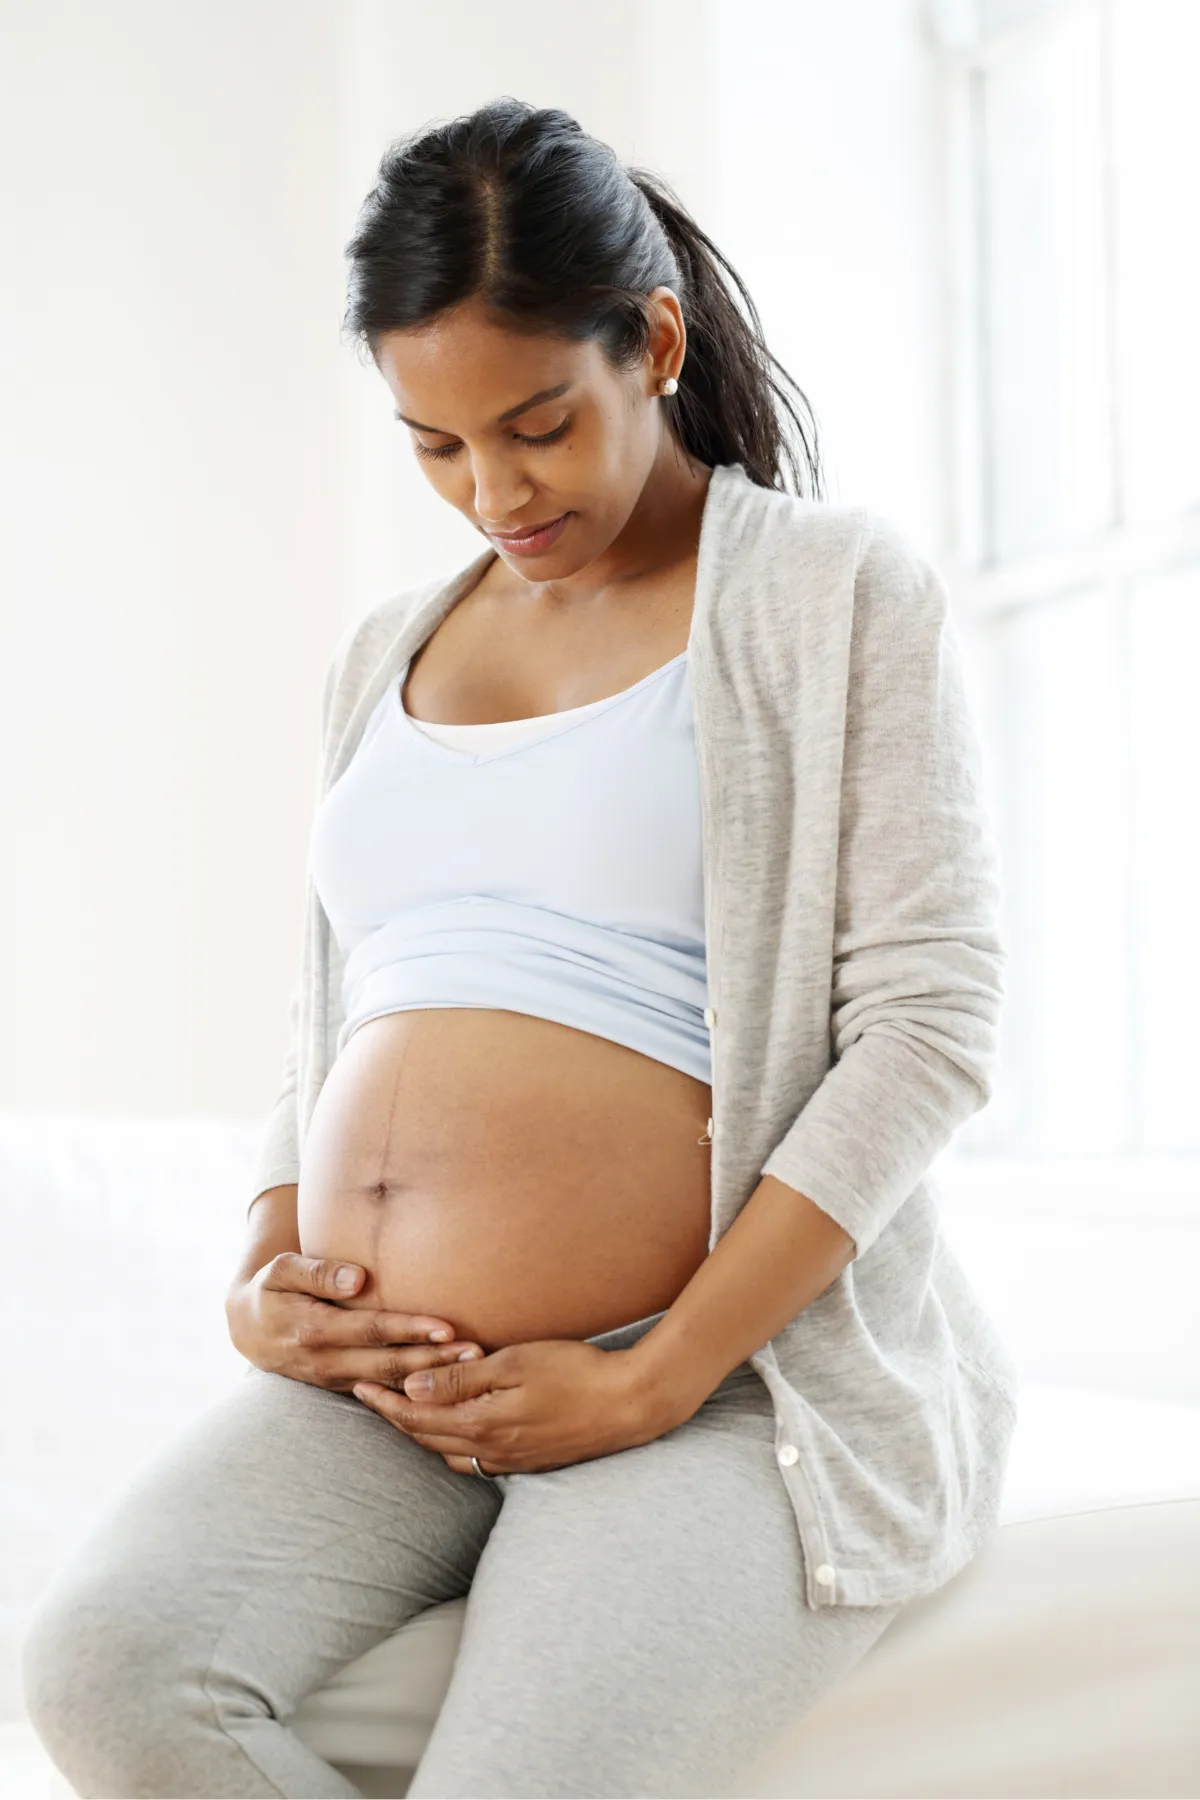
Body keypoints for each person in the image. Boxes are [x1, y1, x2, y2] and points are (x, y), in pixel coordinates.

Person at [21, 97, 1018, 1799]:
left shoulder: (827, 593)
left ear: (652, 343)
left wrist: (659, 1378)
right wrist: (272, 1269)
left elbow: (928, 1022)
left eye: (538, 425)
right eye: (435, 445)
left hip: (716, 1388)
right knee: (110, 1673)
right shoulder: (387, 651)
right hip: (393, 1394)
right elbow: (333, 1011)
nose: (493, 491)